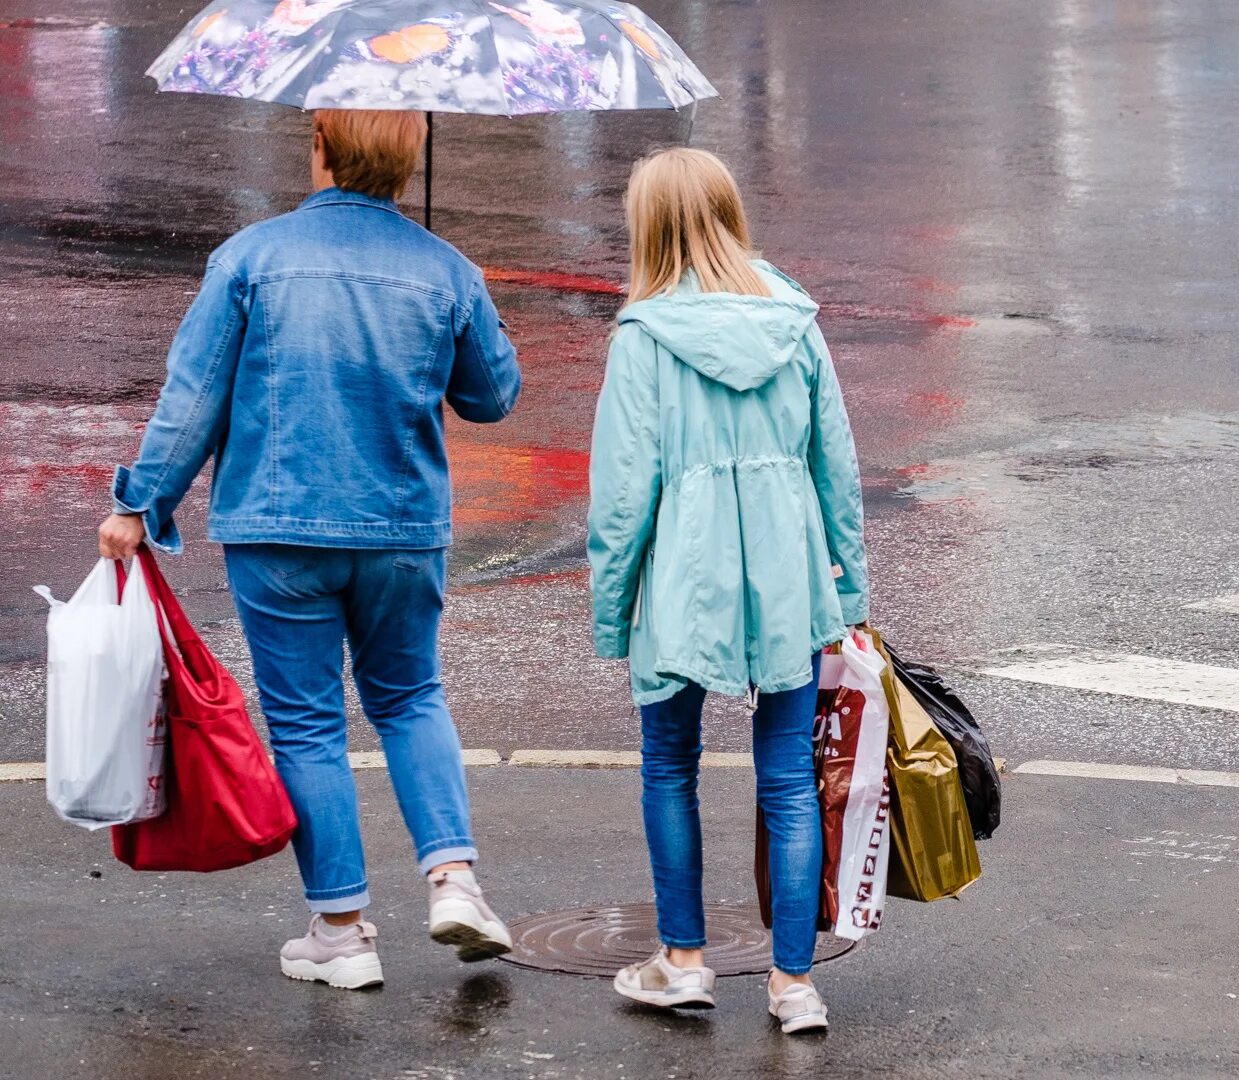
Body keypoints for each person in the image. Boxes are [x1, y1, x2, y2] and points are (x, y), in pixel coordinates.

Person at [99, 109, 522, 991]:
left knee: (307, 725)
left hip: (278, 526)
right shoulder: (446, 271)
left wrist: (141, 503)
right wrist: (454, 299)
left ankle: (341, 931)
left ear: (321, 147)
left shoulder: (250, 258)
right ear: (412, 159)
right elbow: (491, 397)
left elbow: (195, 398)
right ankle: (453, 880)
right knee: (409, 697)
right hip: (402, 525)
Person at [587, 147, 869, 1036]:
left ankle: (683, 961)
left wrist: (610, 610)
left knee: (669, 766)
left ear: (650, 227)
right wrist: (850, 585)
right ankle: (794, 985)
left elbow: (623, 493)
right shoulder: (794, 321)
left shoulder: (643, 336)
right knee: (786, 777)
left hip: (685, 573)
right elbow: (837, 467)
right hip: (787, 570)